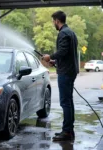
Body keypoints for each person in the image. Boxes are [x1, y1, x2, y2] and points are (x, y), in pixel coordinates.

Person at [43, 10, 79, 141]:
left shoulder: (63, 33)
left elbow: (63, 51)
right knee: (68, 101)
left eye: (53, 21)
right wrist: (55, 61)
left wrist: (49, 56)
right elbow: (67, 53)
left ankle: (67, 132)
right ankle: (69, 130)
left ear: (57, 21)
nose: (53, 23)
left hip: (66, 73)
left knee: (65, 102)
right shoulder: (71, 33)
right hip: (70, 70)